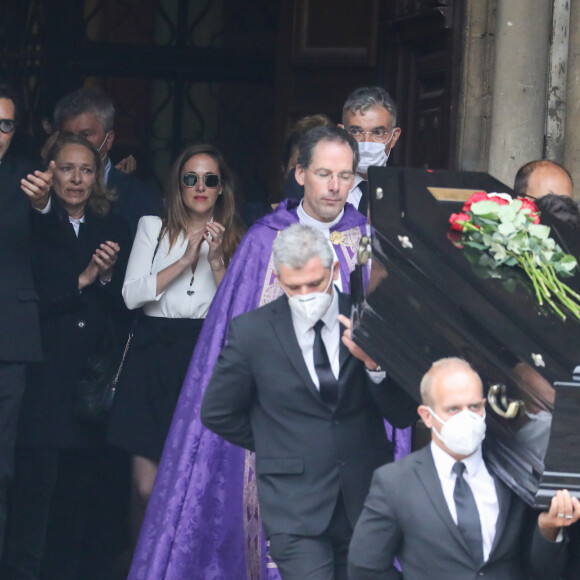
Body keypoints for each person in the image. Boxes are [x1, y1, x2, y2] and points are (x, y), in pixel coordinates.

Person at [128, 125, 412, 579]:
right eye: (324, 173)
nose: (336, 187)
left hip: (351, 444)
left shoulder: (368, 240)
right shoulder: (264, 239)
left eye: (345, 175)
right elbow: (228, 348)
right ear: (300, 173)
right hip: (280, 440)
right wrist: (271, 439)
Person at [201, 224, 418, 580]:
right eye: (294, 287)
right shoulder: (252, 332)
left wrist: (373, 363)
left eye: (315, 284)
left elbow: (403, 413)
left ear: (334, 272)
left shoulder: (370, 320)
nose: (305, 295)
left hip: (364, 497)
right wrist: (277, 442)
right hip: (294, 505)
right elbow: (217, 411)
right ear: (278, 279)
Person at [2, 134, 132, 579]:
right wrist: (83, 279)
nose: (76, 179)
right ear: (49, 171)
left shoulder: (114, 227)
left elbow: (126, 307)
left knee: (84, 499)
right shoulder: (29, 220)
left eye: (87, 169)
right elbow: (27, 298)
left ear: (99, 177)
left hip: (89, 383)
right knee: (34, 497)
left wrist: (108, 278)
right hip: (42, 375)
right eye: (66, 168)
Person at [108, 143, 244, 546]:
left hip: (201, 358)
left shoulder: (238, 236)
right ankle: (141, 566)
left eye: (209, 179)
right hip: (152, 354)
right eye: (190, 178)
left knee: (193, 490)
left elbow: (236, 316)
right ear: (178, 186)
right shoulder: (154, 226)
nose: (200, 186)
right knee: (145, 488)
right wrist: (185, 259)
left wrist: (217, 260)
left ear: (221, 188)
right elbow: (132, 296)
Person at [348, 357, 580, 580]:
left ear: (484, 406)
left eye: (473, 406)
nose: (466, 417)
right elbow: (365, 567)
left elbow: (544, 571)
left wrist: (547, 530)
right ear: (427, 416)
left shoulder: (514, 471)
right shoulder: (395, 482)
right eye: (453, 409)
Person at [0, 81, 53, 561]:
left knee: (1, 467)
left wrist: (43, 205)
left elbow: (53, 243)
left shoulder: (29, 180)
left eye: (5, 124)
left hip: (7, 343)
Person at [54, 87, 163, 233]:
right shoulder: (43, 192)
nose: (77, 144)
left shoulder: (142, 198)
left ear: (109, 139)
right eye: (68, 136)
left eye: (86, 135)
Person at [339, 87, 401, 215]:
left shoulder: (407, 191)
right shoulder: (318, 185)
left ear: (394, 137)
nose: (366, 143)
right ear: (341, 134)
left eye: (378, 132)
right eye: (355, 132)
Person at [280, 114, 333, 202]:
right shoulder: (258, 215)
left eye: (322, 172)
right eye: (301, 169)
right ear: (284, 170)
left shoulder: (350, 214)